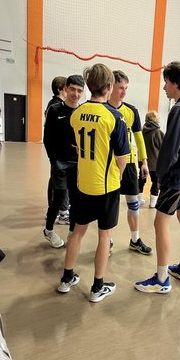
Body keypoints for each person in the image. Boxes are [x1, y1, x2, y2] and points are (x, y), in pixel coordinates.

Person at [57, 63, 130, 303]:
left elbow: (78, 146)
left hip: (82, 184)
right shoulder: (115, 117)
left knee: (77, 232)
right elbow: (122, 158)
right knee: (104, 236)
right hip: (106, 186)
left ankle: (67, 278)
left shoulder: (76, 114)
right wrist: (118, 176)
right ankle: (97, 287)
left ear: (89, 86)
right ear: (109, 87)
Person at [135, 61, 180, 294]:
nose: (164, 87)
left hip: (176, 178)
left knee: (160, 222)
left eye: (166, 82)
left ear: (175, 82)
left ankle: (161, 278)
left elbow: (170, 149)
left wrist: (161, 175)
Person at [107, 70, 152, 256]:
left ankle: (135, 240)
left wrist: (144, 161)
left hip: (130, 164)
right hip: (109, 166)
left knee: (133, 203)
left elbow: (139, 138)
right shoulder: (103, 109)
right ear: (110, 87)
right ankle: (107, 241)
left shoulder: (131, 111)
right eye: (120, 88)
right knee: (110, 206)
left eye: (126, 88)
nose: (124, 92)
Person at [42, 75, 85, 248]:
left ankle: (72, 233)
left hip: (78, 164)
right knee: (59, 198)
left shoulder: (83, 111)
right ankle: (49, 230)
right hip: (60, 162)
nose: (76, 94)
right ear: (66, 89)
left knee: (76, 200)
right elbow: (47, 139)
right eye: (72, 89)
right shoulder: (55, 110)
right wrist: (54, 161)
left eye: (80, 90)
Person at [44, 76, 70, 224]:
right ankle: (62, 213)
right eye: (68, 88)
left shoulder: (55, 104)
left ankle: (56, 210)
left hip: (59, 153)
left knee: (56, 180)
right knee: (60, 182)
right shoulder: (55, 106)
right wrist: (53, 158)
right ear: (61, 89)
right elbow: (49, 135)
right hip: (58, 153)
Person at [141, 110, 164, 208]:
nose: (159, 118)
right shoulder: (158, 132)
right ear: (154, 119)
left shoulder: (142, 131)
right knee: (156, 181)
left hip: (143, 161)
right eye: (158, 116)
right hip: (155, 163)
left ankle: (138, 199)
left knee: (141, 180)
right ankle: (153, 202)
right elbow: (163, 147)